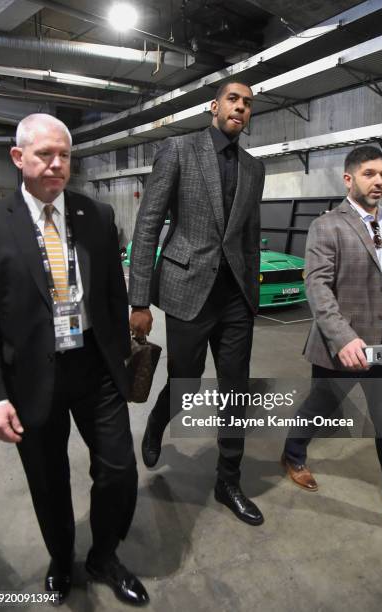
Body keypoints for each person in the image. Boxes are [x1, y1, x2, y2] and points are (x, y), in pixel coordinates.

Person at [0, 114, 149, 605]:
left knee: (119, 468)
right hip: (31, 376)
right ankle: (62, 558)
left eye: (65, 155)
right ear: (19, 158)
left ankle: (104, 554)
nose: (57, 165)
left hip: (95, 367)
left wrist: (122, 355)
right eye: (45, 155)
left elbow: (110, 291)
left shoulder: (95, 215)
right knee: (48, 479)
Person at [129, 81, 265, 526]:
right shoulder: (179, 150)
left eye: (247, 104)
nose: (240, 108)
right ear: (214, 106)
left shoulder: (254, 167)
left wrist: (252, 299)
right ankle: (157, 424)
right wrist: (139, 300)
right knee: (185, 383)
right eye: (233, 99)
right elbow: (148, 223)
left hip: (235, 300)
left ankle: (228, 479)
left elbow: (248, 237)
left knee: (235, 387)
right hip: (187, 290)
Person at [282, 145, 382, 538]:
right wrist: (344, 338)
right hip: (340, 347)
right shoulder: (327, 225)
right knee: (321, 408)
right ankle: (293, 454)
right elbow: (317, 286)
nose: (379, 181)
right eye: (369, 174)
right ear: (349, 179)